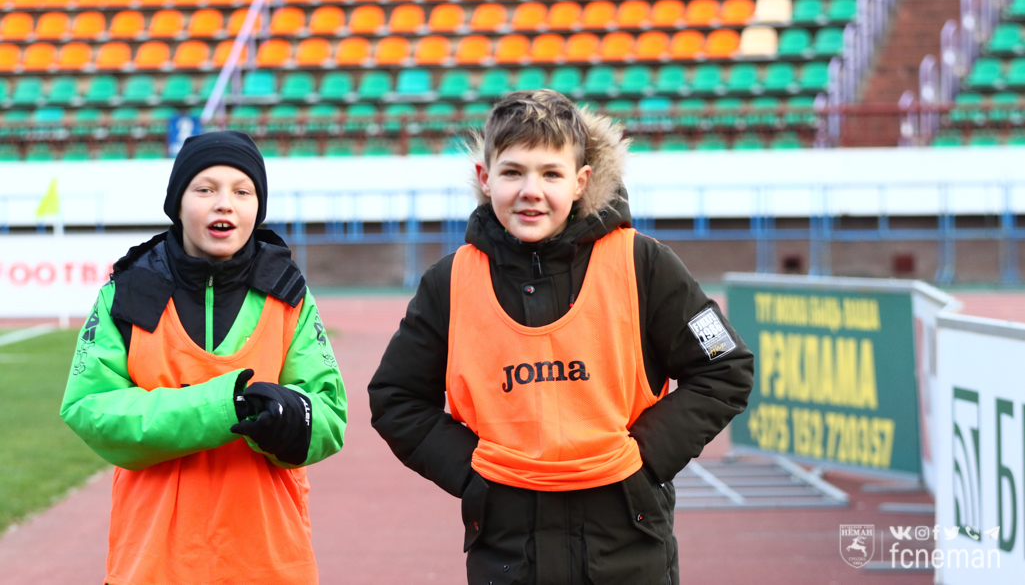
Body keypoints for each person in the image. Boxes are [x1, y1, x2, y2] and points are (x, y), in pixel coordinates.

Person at [368, 90, 754, 585]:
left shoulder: (644, 264)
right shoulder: (449, 282)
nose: (531, 190)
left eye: (551, 174)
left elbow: (725, 365)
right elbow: (396, 397)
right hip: (508, 551)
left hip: (627, 542)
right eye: (513, 172)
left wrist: (644, 459)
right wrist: (473, 473)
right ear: (485, 178)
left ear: (580, 182)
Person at [61, 131, 347, 585]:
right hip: (154, 562)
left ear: (258, 207)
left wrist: (289, 415)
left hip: (269, 561)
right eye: (205, 189)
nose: (224, 204)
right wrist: (220, 408)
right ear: (177, 203)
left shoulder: (288, 294)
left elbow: (329, 414)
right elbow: (89, 407)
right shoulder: (128, 294)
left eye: (242, 191)